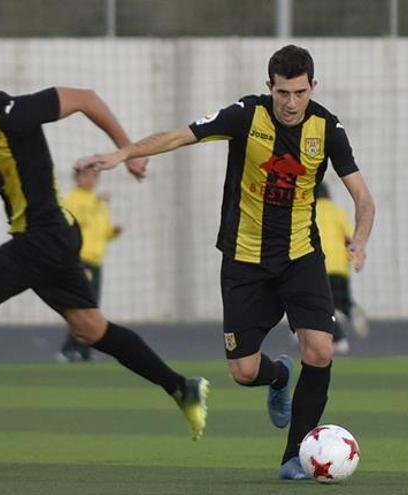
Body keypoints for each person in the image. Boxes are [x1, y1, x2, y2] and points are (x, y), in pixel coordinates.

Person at [79, 44, 375, 480]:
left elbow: (363, 197)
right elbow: (179, 135)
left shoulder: (328, 128)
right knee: (243, 371)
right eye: (282, 93)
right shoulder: (245, 115)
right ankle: (277, 378)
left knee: (320, 349)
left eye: (299, 92)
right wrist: (124, 153)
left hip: (300, 256)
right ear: (268, 87)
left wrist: (361, 241)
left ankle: (294, 456)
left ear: (313, 86)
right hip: (244, 260)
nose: (290, 103)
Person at [0, 48, 208, 445]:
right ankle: (182, 387)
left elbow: (86, 99)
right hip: (53, 238)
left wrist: (126, 152)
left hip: (41, 239)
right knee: (92, 329)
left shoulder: (15, 111)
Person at [57, 167, 122, 362]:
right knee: (82, 306)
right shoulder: (74, 199)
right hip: (80, 259)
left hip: (96, 260)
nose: (94, 179)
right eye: (89, 175)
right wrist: (97, 203)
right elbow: (75, 223)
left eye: (96, 175)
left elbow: (101, 233)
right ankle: (70, 349)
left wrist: (114, 232)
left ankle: (83, 349)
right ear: (77, 178)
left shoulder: (97, 201)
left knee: (92, 306)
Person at [315, 182, 370, 355]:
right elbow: (349, 239)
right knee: (340, 300)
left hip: (320, 264)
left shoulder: (311, 211)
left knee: (323, 305)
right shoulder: (338, 212)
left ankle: (339, 340)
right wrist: (350, 258)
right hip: (339, 266)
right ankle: (351, 309)